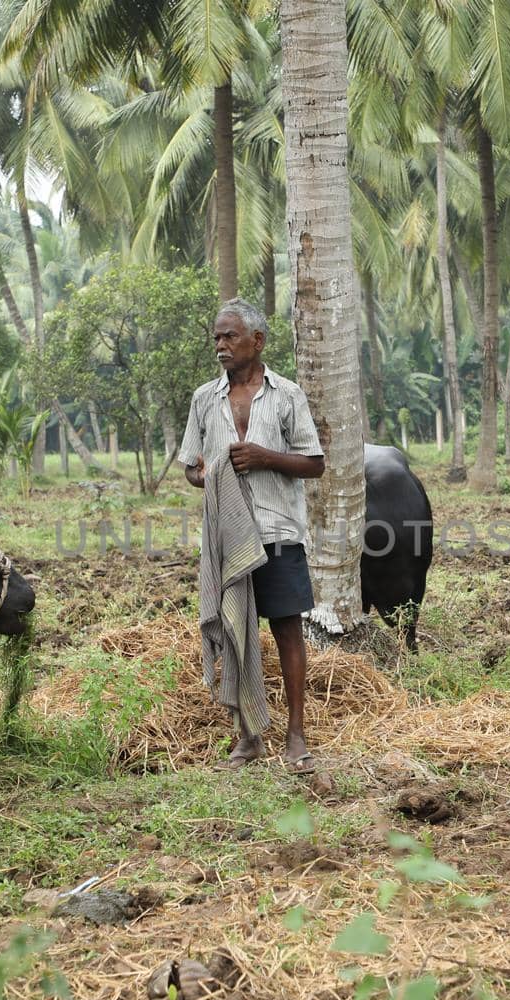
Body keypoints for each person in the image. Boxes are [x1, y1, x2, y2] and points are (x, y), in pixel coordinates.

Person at [179, 298, 325, 773]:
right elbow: (192, 467)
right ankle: (248, 738)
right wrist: (205, 477)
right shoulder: (204, 398)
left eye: (229, 337)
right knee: (236, 632)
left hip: (277, 532)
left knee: (287, 630)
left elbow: (315, 464)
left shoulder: (287, 396)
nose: (220, 345)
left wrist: (265, 457)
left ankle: (296, 736)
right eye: (216, 337)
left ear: (257, 341)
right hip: (227, 537)